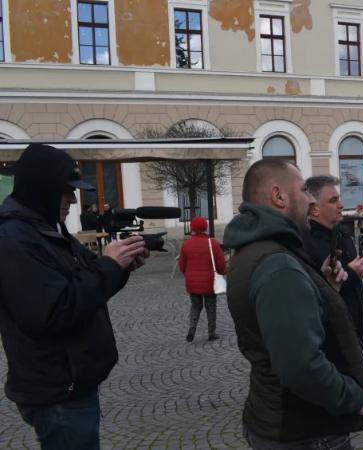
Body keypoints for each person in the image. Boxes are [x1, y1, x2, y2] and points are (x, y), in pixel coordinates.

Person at [0, 144, 149, 450]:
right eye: (66, 191)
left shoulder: (45, 229)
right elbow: (53, 310)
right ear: (43, 189)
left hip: (70, 384)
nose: (73, 199)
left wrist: (120, 267)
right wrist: (108, 266)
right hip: (57, 392)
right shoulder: (14, 238)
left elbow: (87, 279)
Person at [223, 159, 363, 450]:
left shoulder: (261, 249)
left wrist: (326, 291)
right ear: (279, 196)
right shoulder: (277, 264)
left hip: (282, 422)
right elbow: (300, 365)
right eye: (304, 190)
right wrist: (355, 398)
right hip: (304, 431)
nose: (310, 200)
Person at [303, 176, 363, 347]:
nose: (341, 205)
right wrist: (352, 274)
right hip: (332, 341)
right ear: (314, 210)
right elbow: (317, 293)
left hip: (355, 333)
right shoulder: (307, 245)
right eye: (333, 201)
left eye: (339, 198)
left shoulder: (341, 234)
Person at [178, 216, 226, 342]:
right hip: (209, 282)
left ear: (192, 228)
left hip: (192, 282)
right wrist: (221, 273)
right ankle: (211, 333)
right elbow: (221, 264)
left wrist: (189, 274)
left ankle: (191, 330)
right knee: (211, 306)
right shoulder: (213, 243)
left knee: (195, 306)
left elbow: (182, 265)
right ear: (205, 227)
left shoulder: (186, 244)